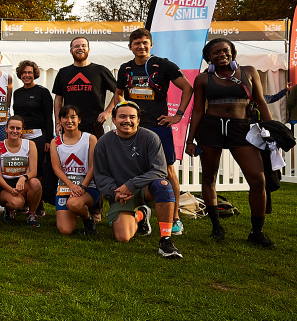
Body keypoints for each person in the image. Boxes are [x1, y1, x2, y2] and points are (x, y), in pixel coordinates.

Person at [185, 38, 274, 247]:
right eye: (215, 53)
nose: (221, 54)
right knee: (208, 178)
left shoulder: (250, 71)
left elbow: (260, 101)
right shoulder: (202, 79)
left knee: (258, 179)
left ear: (233, 52)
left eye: (225, 50)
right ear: (209, 57)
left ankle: (257, 231)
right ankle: (216, 226)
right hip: (211, 129)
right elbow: (198, 110)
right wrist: (190, 139)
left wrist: (271, 130)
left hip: (241, 129)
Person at [115, 28, 194, 235]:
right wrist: (122, 117)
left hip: (159, 126)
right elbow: (118, 95)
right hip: (135, 128)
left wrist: (178, 115)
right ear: (130, 46)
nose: (141, 46)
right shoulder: (125, 68)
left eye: (144, 42)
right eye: (136, 43)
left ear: (151, 44)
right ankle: (139, 212)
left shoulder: (164, 64)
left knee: (167, 171)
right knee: (134, 169)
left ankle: (174, 217)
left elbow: (188, 88)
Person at [95, 101, 183, 259]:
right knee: (123, 237)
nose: (127, 120)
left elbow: (160, 170)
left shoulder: (150, 137)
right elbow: (100, 175)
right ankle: (142, 214)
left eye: (132, 117)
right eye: (122, 116)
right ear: (113, 120)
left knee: (164, 184)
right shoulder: (104, 142)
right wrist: (115, 191)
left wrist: (131, 185)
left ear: (138, 120)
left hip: (145, 189)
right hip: (120, 193)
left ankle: (166, 241)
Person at [11, 60, 55, 219]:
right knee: (24, 168)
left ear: (34, 73)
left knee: (38, 171)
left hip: (39, 136)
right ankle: (25, 202)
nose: (27, 75)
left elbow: (49, 117)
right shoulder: (17, 93)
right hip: (22, 136)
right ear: (20, 75)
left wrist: (49, 139)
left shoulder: (43, 92)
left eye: (29, 72)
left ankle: (39, 205)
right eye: (24, 73)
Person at [50, 105, 101, 236]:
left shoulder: (90, 139)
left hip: (88, 188)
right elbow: (56, 168)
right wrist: (71, 186)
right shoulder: (55, 142)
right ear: (60, 120)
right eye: (65, 117)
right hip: (65, 188)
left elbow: (93, 166)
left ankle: (87, 220)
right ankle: (76, 212)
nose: (69, 120)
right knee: (65, 230)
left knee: (73, 203)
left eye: (73, 117)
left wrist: (82, 187)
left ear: (79, 120)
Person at [52, 36, 118, 137]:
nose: (80, 48)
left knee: (95, 153)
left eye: (83, 46)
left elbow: (118, 91)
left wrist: (107, 112)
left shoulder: (100, 71)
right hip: (70, 125)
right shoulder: (63, 72)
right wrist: (58, 122)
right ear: (71, 51)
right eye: (76, 46)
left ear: (88, 49)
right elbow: (58, 100)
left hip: (94, 125)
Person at [0, 116, 43, 227]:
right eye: (12, 128)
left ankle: (31, 214)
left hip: (22, 182)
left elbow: (33, 171)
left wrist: (23, 178)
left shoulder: (30, 145)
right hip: (5, 185)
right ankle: (10, 209)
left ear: (22, 130)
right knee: (17, 203)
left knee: (36, 183)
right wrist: (10, 190)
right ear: (6, 129)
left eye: (18, 128)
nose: (15, 131)